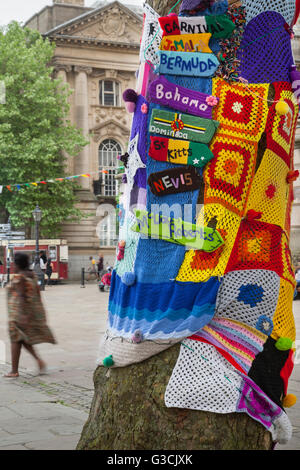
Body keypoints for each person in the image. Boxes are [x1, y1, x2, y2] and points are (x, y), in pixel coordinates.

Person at [4, 252, 56, 378]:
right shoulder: (32, 276)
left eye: (13, 263)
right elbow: (37, 295)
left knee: (16, 339)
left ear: (17, 264)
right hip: (29, 312)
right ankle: (38, 361)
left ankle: (14, 370)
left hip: (18, 313)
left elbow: (22, 296)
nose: (12, 265)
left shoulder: (19, 278)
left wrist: (23, 315)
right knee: (21, 339)